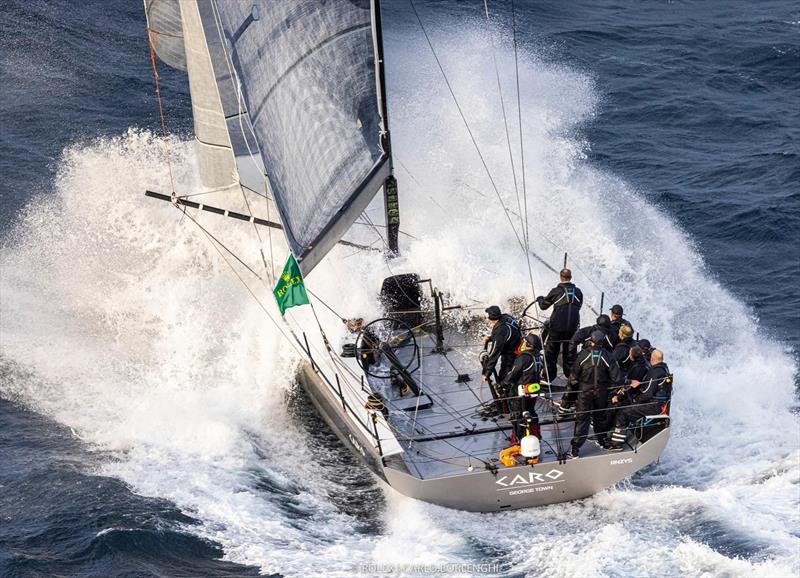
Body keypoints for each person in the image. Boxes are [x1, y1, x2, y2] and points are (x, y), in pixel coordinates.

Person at [567, 330, 623, 457]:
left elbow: (574, 375)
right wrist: (613, 391)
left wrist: (572, 391)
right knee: (599, 417)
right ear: (602, 342)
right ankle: (602, 441)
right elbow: (617, 378)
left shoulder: (583, 355)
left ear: (591, 341)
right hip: (601, 392)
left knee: (582, 418)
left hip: (584, 391)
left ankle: (575, 449)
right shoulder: (609, 356)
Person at [608, 349, 672, 451]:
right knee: (627, 407)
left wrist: (635, 400)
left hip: (653, 405)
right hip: (659, 404)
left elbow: (648, 393)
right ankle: (619, 434)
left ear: (652, 358)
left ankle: (616, 444)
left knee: (623, 413)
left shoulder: (655, 372)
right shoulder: (664, 369)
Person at [536, 268, 583, 382]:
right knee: (569, 354)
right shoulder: (578, 292)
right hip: (572, 329)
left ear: (560, 277)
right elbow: (578, 306)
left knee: (551, 353)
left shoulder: (556, 291)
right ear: (570, 278)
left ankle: (548, 377)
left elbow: (543, 306)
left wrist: (540, 299)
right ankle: (570, 377)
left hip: (557, 329)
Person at [499, 333, 543, 441]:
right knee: (531, 412)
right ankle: (536, 435)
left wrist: (503, 384)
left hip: (521, 391)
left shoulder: (523, 358)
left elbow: (513, 374)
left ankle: (519, 439)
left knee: (518, 415)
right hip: (533, 391)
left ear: (527, 344)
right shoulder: (538, 358)